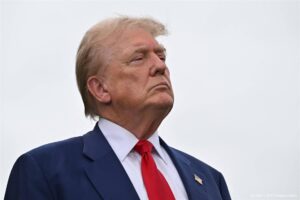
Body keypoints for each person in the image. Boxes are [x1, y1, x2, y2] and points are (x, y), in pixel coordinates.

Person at [5, 16, 231, 200]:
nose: (160, 66)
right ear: (100, 88)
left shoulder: (210, 180)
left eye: (161, 56)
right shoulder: (45, 171)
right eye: (138, 58)